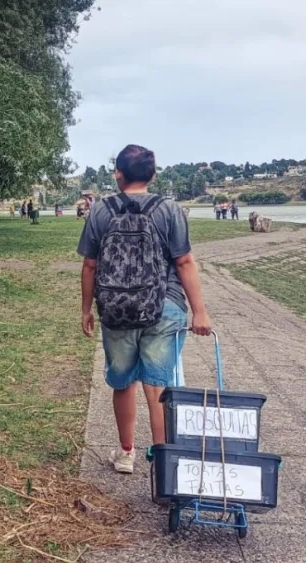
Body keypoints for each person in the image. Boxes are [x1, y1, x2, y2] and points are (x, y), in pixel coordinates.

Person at [78, 144, 212, 474]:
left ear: (117, 174)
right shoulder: (169, 209)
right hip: (165, 305)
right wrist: (199, 311)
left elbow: (90, 266)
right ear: (153, 175)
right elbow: (183, 262)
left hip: (116, 308)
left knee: (123, 383)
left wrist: (86, 309)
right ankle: (164, 466)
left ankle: (125, 454)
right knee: (159, 386)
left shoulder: (100, 210)